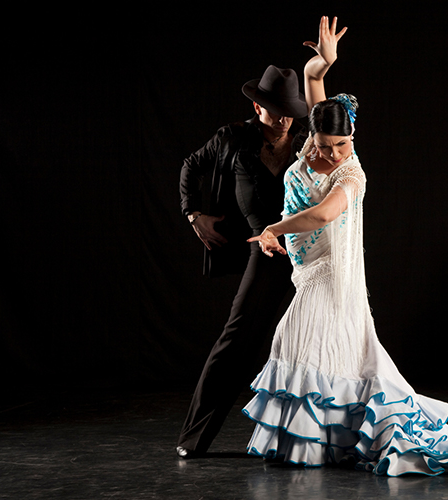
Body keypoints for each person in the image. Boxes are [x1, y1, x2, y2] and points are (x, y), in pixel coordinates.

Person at [241, 16, 448, 476]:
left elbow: (322, 215)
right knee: (321, 356)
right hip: (307, 272)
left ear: (352, 140)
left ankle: (315, 446)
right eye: (324, 145)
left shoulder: (351, 172)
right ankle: (324, 444)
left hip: (332, 280)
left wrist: (274, 231)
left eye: (342, 145)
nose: (333, 153)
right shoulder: (311, 148)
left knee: (298, 344)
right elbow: (313, 78)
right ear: (312, 135)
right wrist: (323, 61)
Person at [176, 64, 310, 458]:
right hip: (263, 251)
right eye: (276, 110)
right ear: (257, 106)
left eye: (290, 110)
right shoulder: (232, 139)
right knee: (237, 341)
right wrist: (193, 213)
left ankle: (312, 443)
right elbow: (190, 167)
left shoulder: (305, 141)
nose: (285, 118)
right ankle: (194, 438)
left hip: (308, 249)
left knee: (307, 343)